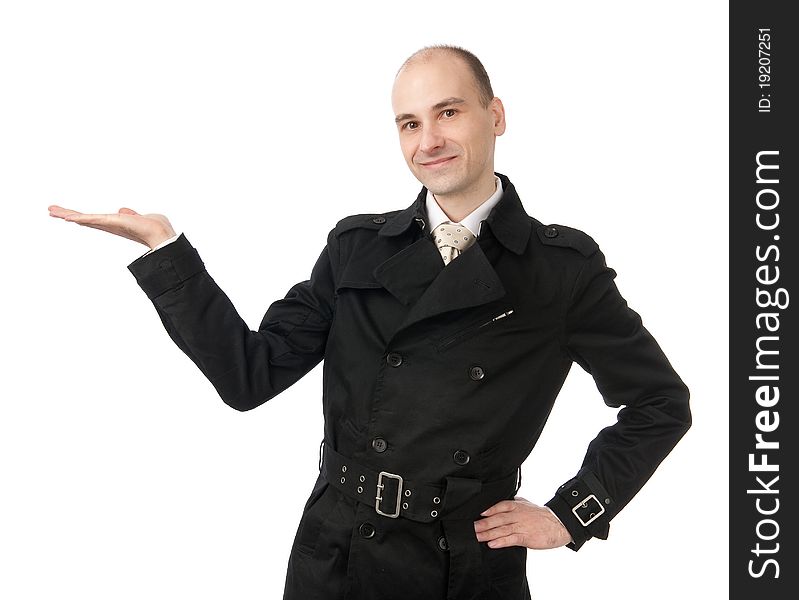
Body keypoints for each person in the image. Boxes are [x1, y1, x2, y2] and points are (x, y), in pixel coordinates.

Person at [48, 45, 691, 600]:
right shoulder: (358, 248)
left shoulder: (559, 269)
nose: (427, 141)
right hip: (337, 553)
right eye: (408, 123)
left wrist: (570, 515)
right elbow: (248, 377)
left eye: (448, 112)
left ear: (495, 116)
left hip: (462, 566)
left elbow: (660, 402)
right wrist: (167, 253)